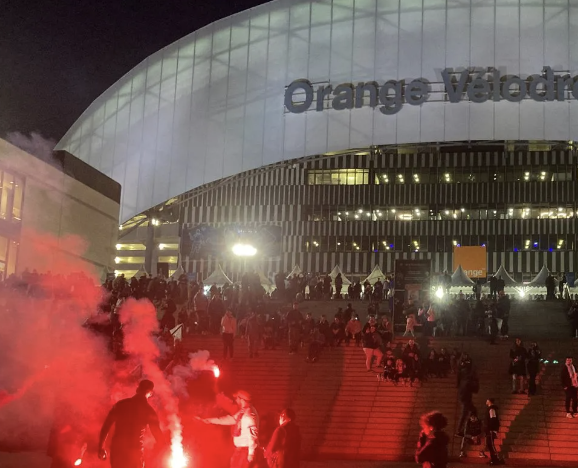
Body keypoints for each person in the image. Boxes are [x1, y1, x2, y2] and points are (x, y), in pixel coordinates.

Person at [98, 380, 165, 468]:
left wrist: (101, 447)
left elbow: (106, 426)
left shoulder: (121, 404)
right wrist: (165, 451)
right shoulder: (149, 411)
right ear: (151, 393)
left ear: (138, 389)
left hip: (117, 451)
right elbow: (157, 434)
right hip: (134, 453)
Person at [198, 390, 260, 468]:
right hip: (241, 451)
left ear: (242, 400)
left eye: (237, 398)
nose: (236, 400)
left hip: (245, 451)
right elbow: (231, 419)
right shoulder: (243, 412)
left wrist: (251, 454)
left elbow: (252, 435)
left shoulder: (249, 415)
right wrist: (209, 420)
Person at [482, 398, 503, 465]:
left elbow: (493, 419)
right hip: (489, 429)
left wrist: (491, 429)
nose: (486, 401)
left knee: (491, 445)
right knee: (490, 444)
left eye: (487, 400)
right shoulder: (490, 409)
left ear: (489, 402)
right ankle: (493, 458)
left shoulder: (491, 409)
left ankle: (495, 459)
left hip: (491, 430)